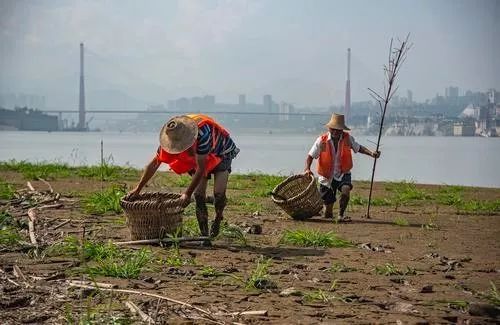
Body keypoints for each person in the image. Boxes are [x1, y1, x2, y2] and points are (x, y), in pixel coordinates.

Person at [128, 114, 239, 238]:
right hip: (199, 158)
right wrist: (138, 188)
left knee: (219, 195)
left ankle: (218, 218)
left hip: (221, 152)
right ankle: (205, 236)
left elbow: (201, 168)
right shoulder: (169, 139)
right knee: (199, 196)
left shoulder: (203, 134)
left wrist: (187, 194)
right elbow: (155, 163)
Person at [304, 113, 380, 222]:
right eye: (333, 129)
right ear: (329, 128)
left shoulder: (347, 139)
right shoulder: (322, 140)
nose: (335, 132)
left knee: (346, 189)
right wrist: (307, 169)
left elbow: (359, 148)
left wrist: (372, 153)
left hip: (343, 173)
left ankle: (341, 214)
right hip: (326, 177)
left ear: (342, 130)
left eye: (338, 130)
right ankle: (327, 211)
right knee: (328, 214)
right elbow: (310, 156)